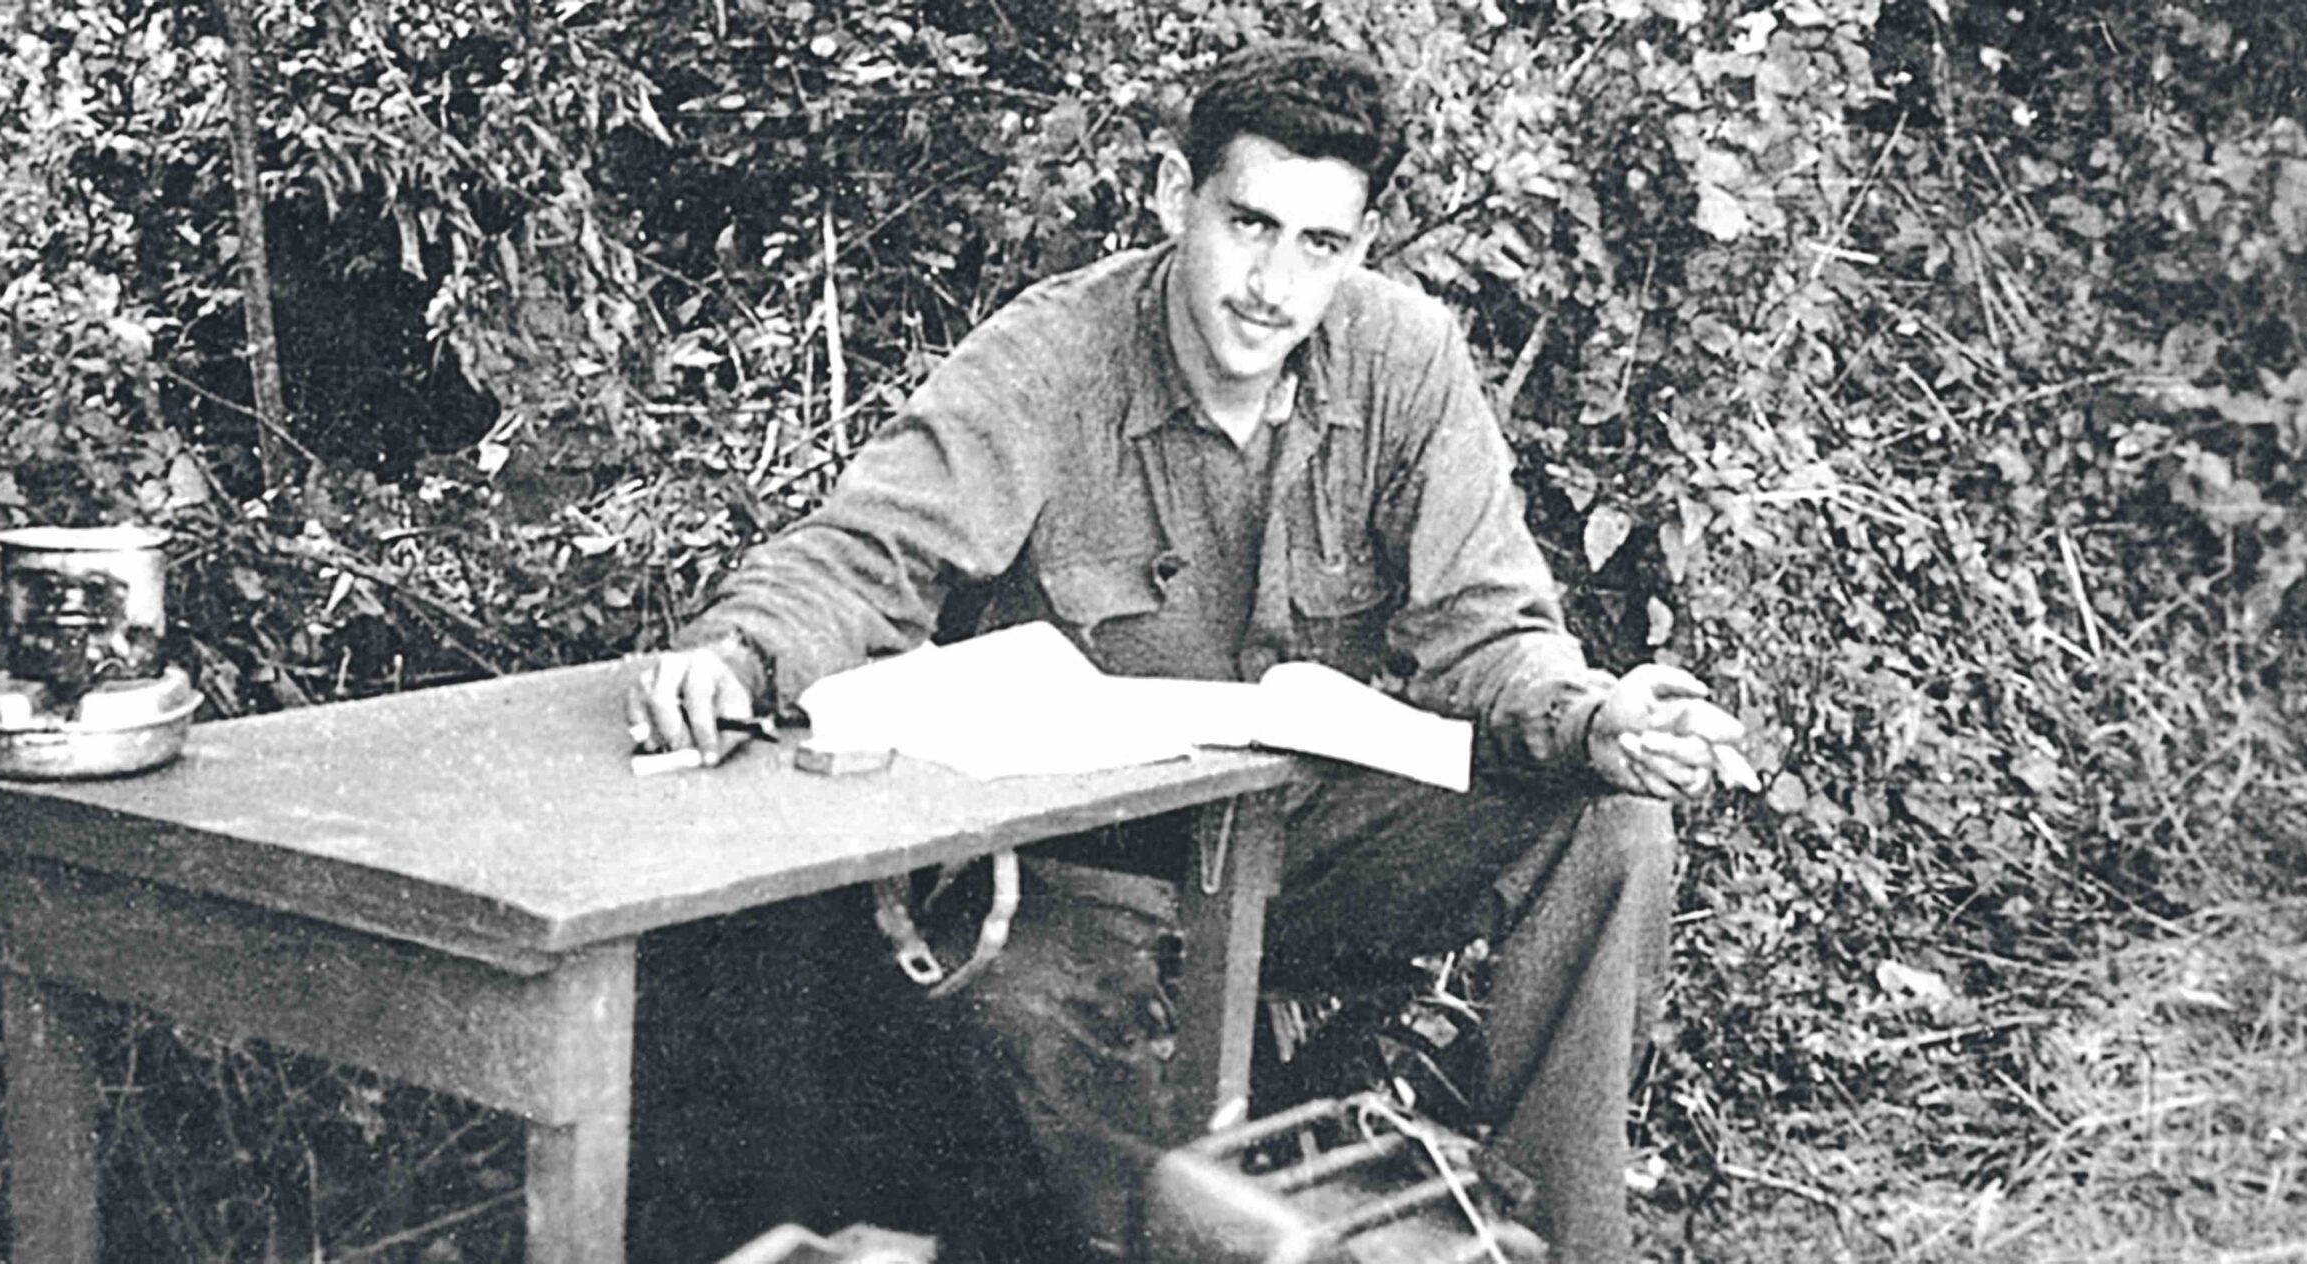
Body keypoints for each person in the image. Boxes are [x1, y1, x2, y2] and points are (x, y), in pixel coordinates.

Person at [626, 39, 1745, 1262]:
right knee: (1055, 1070)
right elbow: (871, 551)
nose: (1272, 283)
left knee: (1610, 825)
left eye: (1319, 244)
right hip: (1075, 874)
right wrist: (740, 652)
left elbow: (1485, 630)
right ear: (1176, 196)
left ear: (1362, 245)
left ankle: (1555, 1243)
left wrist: (1595, 718)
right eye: (1248, 225)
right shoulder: (1053, 356)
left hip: (1299, 848)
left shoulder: (1404, 359)